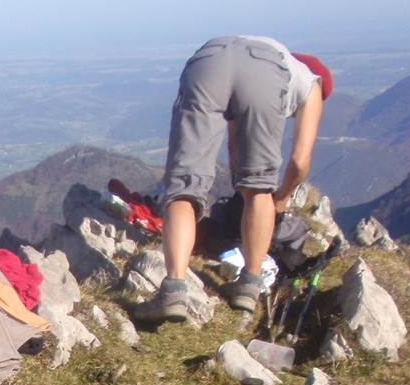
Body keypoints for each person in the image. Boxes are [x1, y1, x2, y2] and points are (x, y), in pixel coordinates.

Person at [140, 36, 333, 321]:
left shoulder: (277, 56)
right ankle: (249, 286)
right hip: (265, 71)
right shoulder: (314, 82)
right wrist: (280, 198)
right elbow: (299, 161)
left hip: (208, 60)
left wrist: (237, 186)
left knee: (185, 187)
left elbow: (234, 145)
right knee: (259, 187)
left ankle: (172, 293)